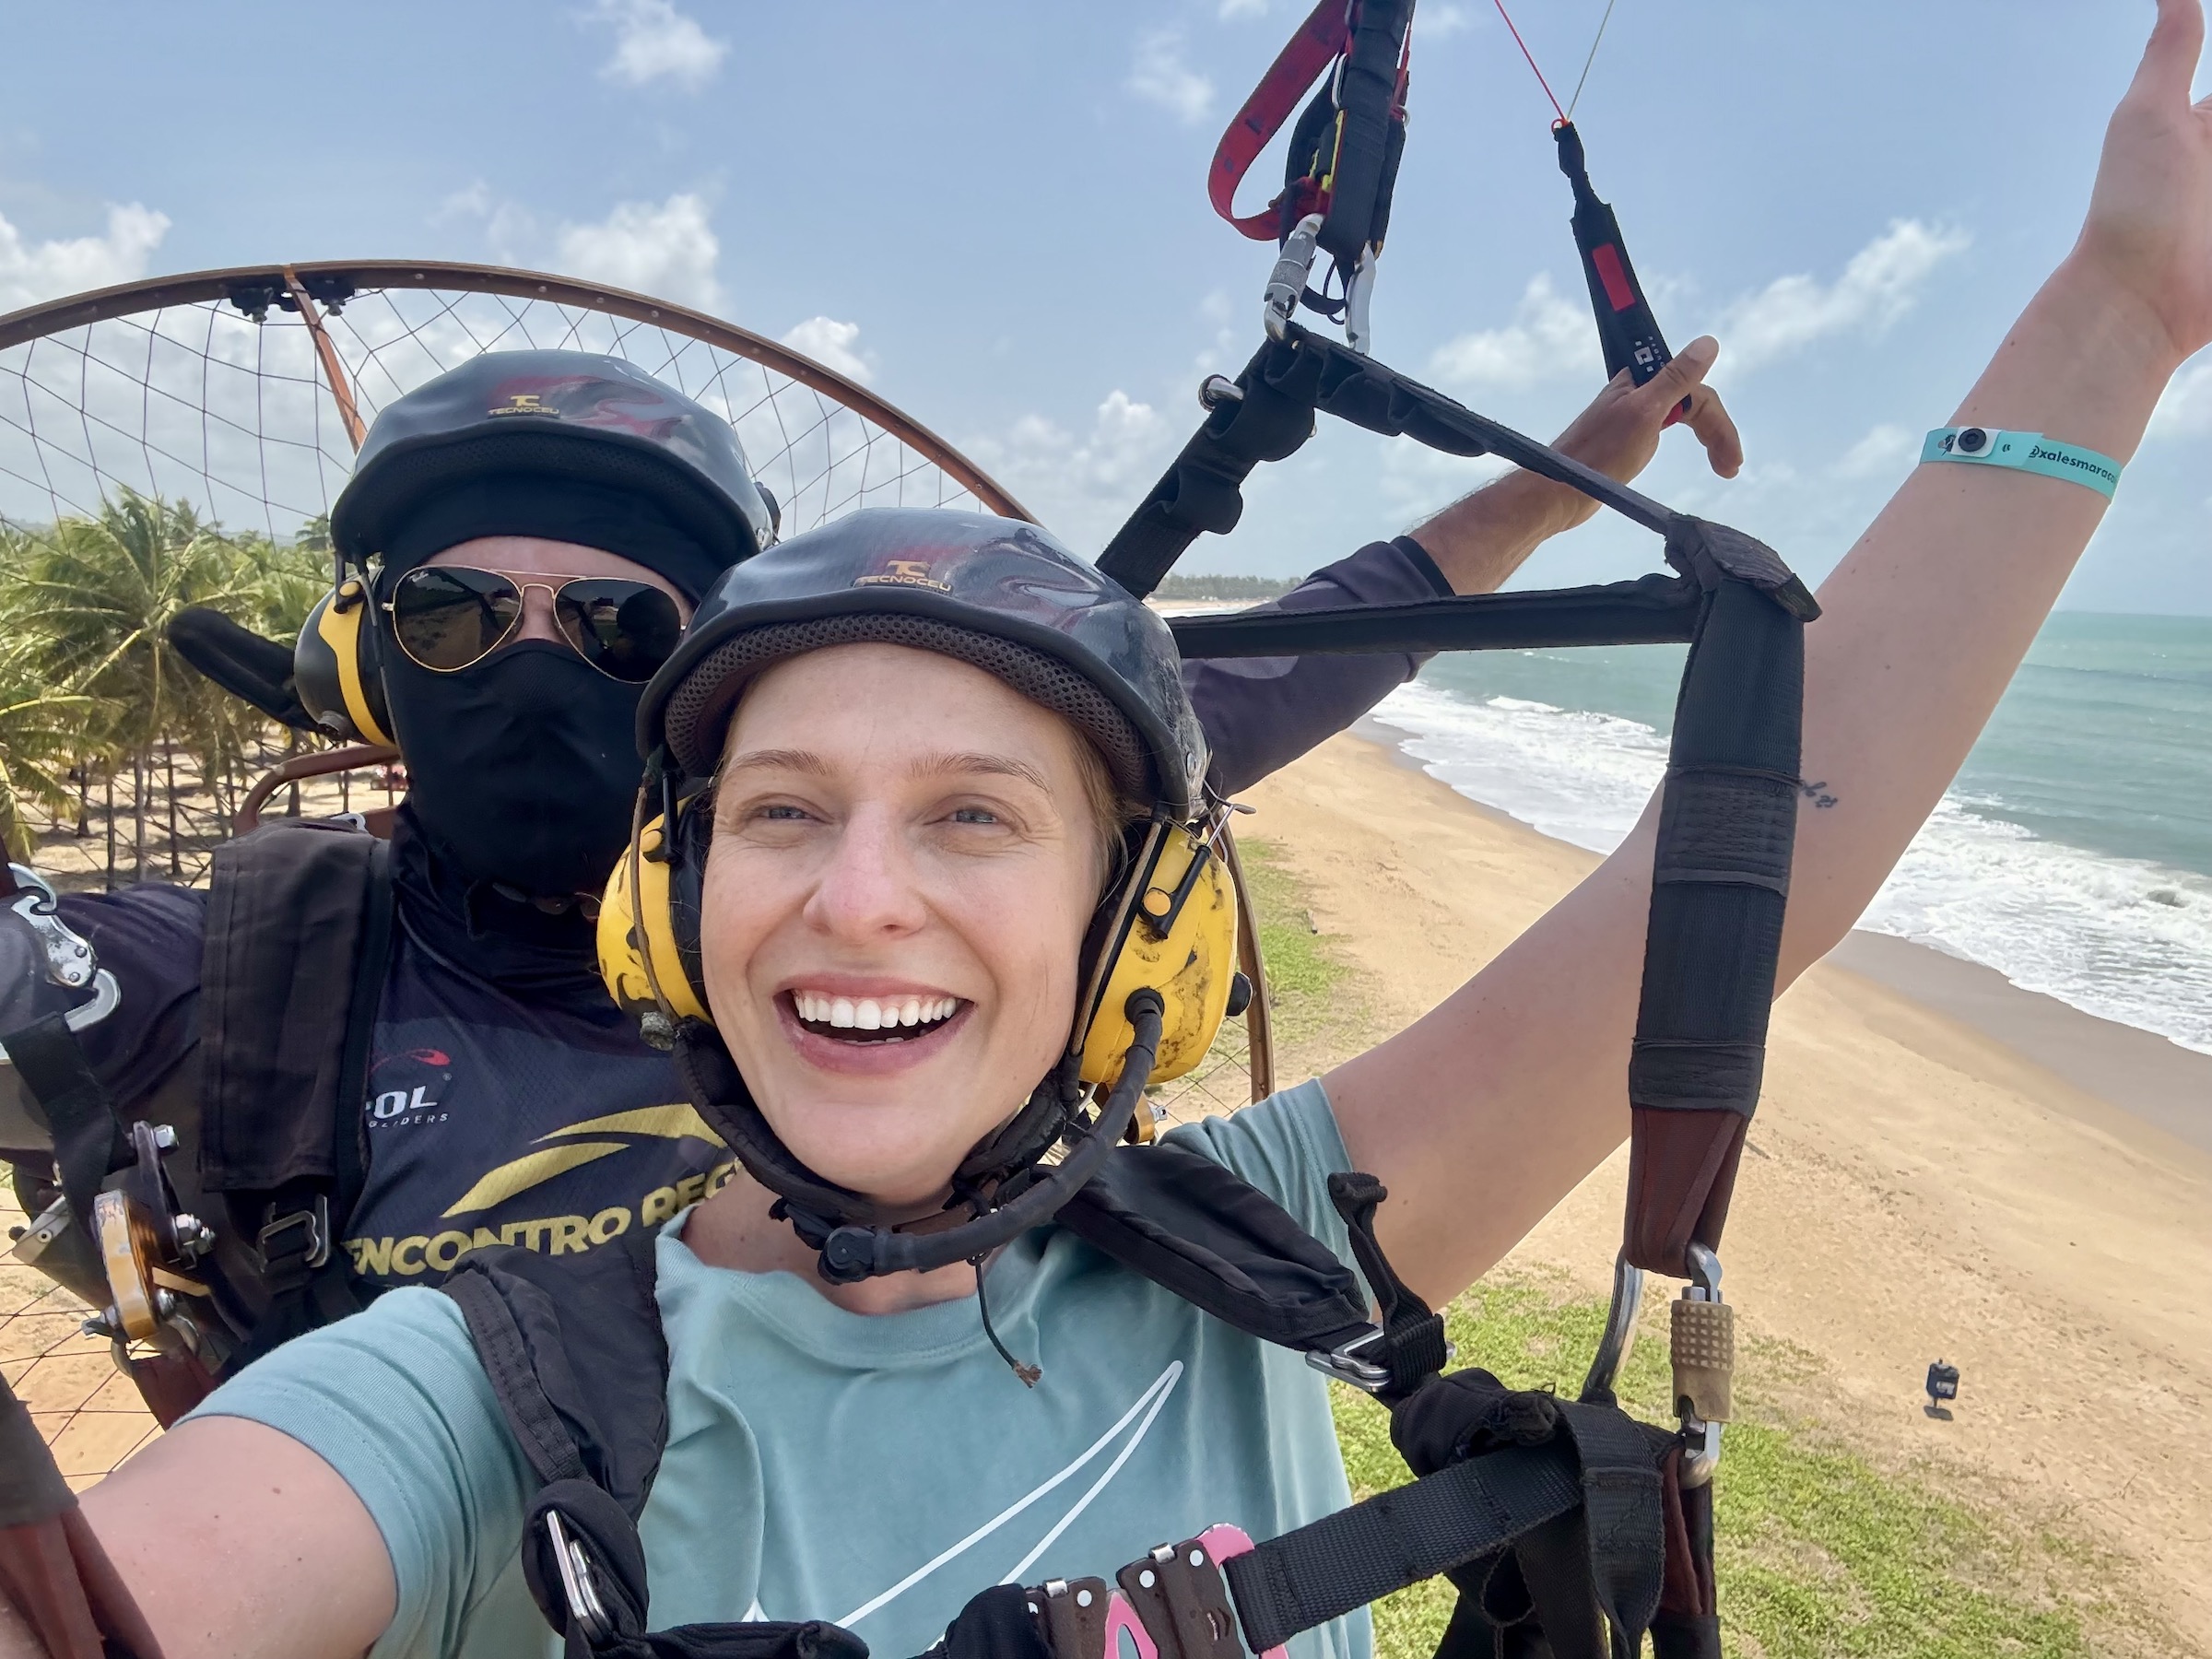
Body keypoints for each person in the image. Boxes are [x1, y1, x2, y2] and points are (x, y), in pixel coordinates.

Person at [6, 4, 2200, 1646]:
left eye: (976, 817)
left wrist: (2110, 319)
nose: (864, 892)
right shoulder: (487, 1394)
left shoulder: (1263, 1244)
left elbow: (1758, 846)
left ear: (1126, 928)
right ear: (679, 903)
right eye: (785, 808)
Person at [0, 308, 1733, 1402]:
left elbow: (1298, 651)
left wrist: (1561, 484)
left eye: (612, 623)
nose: (530, 666)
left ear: (710, 699)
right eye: (454, 616)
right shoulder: (227, 978)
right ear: (372, 662)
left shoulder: (873, 907)